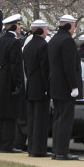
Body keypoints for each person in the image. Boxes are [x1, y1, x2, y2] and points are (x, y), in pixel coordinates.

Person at [47, 14, 82, 160]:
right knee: (65, 120)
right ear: (68, 26)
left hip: (55, 85)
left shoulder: (54, 39)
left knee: (58, 119)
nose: (74, 29)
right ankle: (63, 151)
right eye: (74, 26)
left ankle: (56, 150)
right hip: (66, 86)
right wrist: (74, 86)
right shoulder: (67, 40)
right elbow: (69, 66)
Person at [0, 13, 25, 153]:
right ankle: (8, 144)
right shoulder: (15, 42)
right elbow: (15, 65)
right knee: (11, 114)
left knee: (2, 113)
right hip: (10, 80)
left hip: (0, 78)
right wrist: (18, 84)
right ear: (14, 26)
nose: (20, 28)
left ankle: (3, 144)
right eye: (19, 25)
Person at [22, 19, 50, 157]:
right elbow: (45, 69)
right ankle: (39, 149)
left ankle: (32, 147)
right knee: (41, 120)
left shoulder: (28, 46)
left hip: (31, 85)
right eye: (45, 29)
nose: (47, 32)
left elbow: (27, 69)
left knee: (32, 119)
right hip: (40, 87)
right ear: (41, 30)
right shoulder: (43, 45)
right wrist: (47, 86)